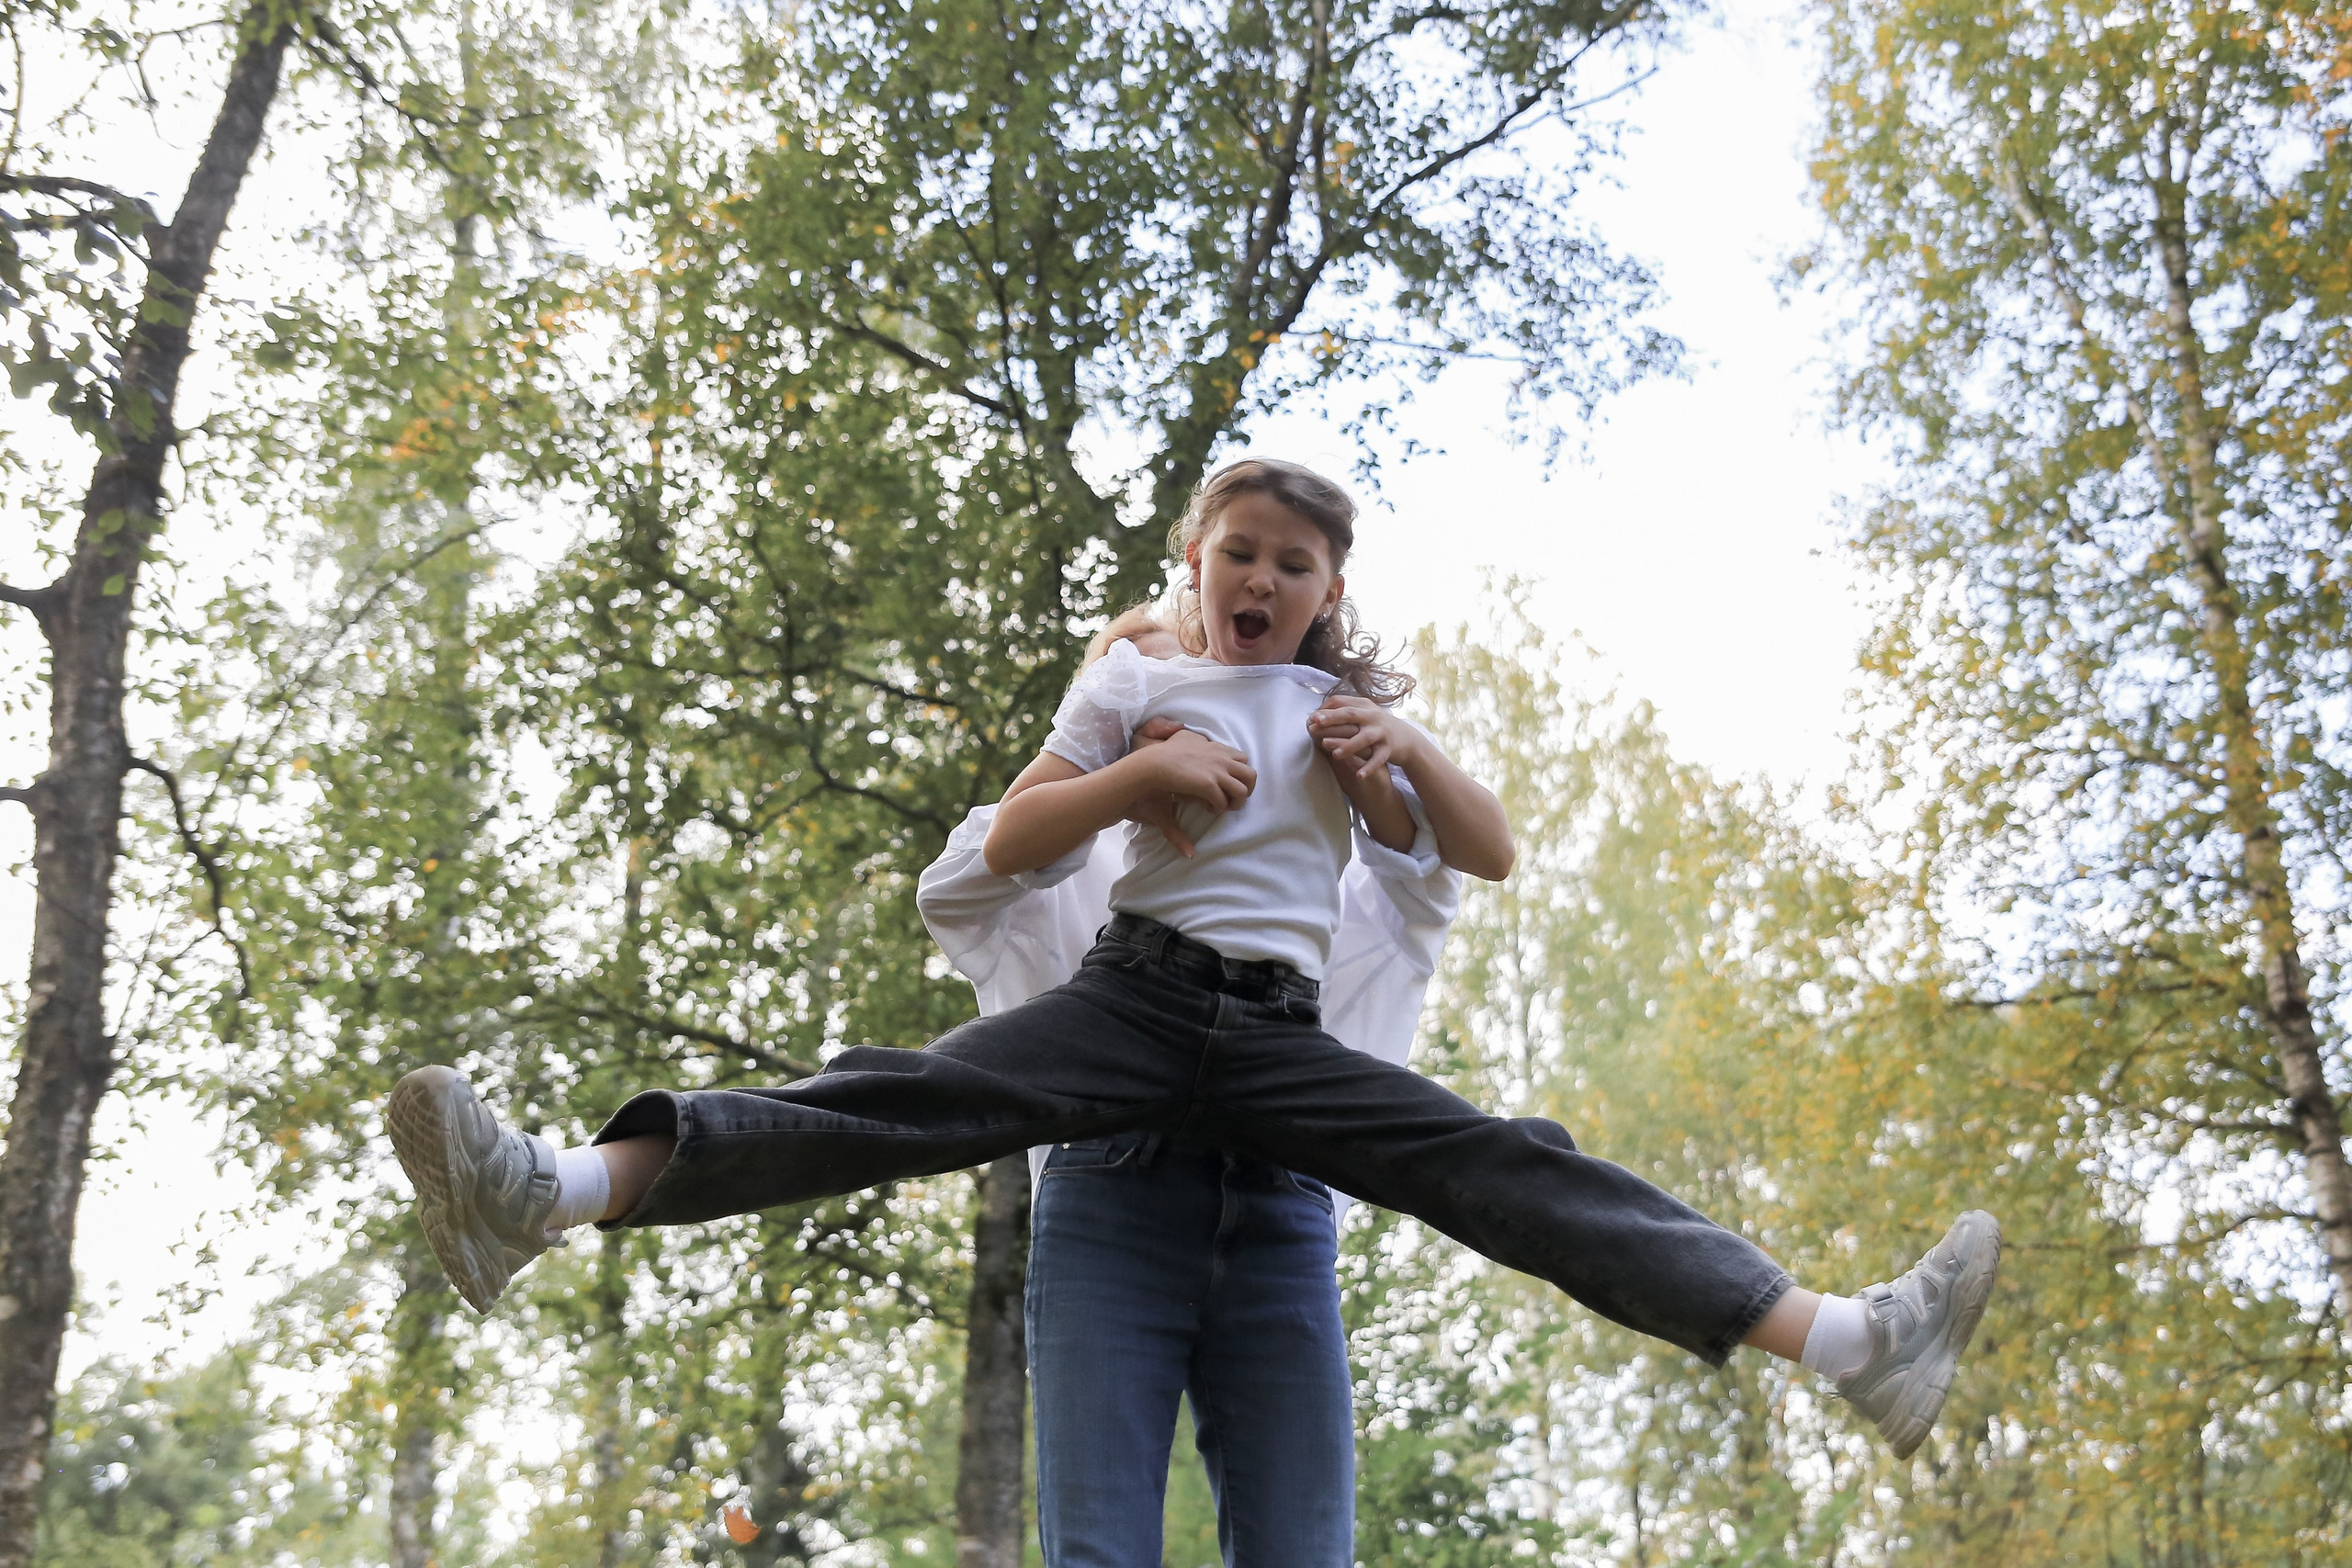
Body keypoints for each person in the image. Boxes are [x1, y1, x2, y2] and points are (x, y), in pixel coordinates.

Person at [387, 457, 2001, 1465]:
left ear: (1329, 594)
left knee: (1500, 1163)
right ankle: (550, 1188)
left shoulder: (1339, 717)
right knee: (902, 1097)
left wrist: (1406, 761)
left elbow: (1488, 852)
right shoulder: (1131, 684)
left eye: (1295, 565)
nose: (1261, 580)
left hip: (1283, 1039)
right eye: (1238, 551)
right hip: (1133, 1004)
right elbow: (1012, 846)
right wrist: (1140, 778)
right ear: (1196, 562)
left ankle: (1848, 1342)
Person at [916, 604, 1463, 1566]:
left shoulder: (1305, 872)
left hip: (1277, 1195)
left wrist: (1382, 759)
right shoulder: (1058, 856)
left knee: (1304, 1549)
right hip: (1112, 1192)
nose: (1190, 702)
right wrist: (1118, 778)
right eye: (1145, 684)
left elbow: (1430, 880)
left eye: (1197, 674)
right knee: (1097, 1548)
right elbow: (956, 885)